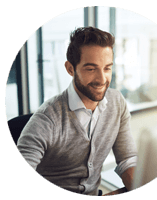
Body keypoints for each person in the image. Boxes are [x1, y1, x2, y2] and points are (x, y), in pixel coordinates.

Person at [17, 27, 137, 196]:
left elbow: (127, 159)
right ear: (70, 69)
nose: (102, 79)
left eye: (107, 68)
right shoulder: (46, 119)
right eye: (91, 69)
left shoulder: (117, 102)